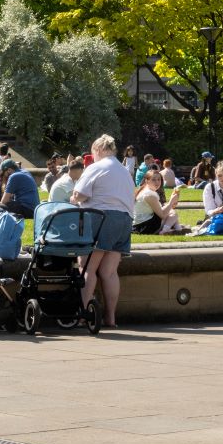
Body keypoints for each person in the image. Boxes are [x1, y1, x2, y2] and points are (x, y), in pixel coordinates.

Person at [74, 134, 136, 328]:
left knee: (87, 269)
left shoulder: (95, 167)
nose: (92, 158)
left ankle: (83, 314)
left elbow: (79, 194)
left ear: (98, 150)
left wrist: (73, 199)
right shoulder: (124, 171)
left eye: (93, 154)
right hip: (124, 221)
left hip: (100, 219)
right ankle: (110, 318)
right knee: (109, 272)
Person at [132, 169, 186, 235]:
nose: (157, 182)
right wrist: (171, 202)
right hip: (144, 227)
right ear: (147, 181)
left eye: (159, 179)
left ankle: (177, 228)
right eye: (153, 180)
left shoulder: (144, 190)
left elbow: (160, 210)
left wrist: (171, 204)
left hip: (139, 225)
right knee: (173, 214)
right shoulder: (150, 194)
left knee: (171, 212)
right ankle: (166, 231)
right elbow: (162, 215)